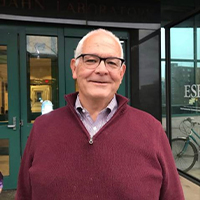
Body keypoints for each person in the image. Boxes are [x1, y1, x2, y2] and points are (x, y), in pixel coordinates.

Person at [15, 28, 184, 200]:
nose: (102, 70)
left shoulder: (151, 130)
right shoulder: (42, 128)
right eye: (91, 60)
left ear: (121, 73)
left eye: (111, 62)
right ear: (74, 68)